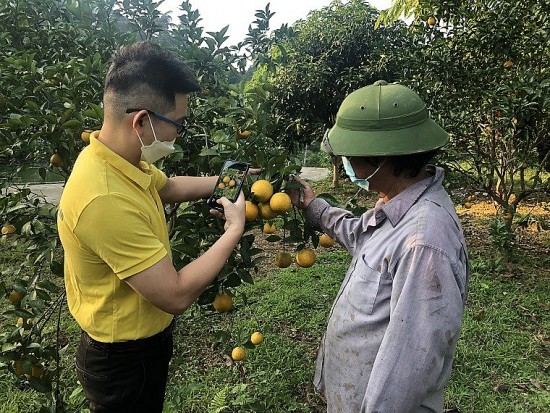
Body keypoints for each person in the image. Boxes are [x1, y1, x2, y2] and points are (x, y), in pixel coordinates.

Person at [57, 41, 246, 412]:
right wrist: (233, 231)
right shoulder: (104, 198)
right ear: (141, 121)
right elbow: (174, 295)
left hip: (138, 347)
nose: (178, 135)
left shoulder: (117, 158)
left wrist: (226, 181)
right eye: (177, 124)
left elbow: (169, 188)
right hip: (122, 362)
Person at [290, 80, 469, 412]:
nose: (346, 165)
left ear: (383, 159)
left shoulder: (425, 243)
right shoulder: (399, 205)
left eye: (350, 156)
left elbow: (409, 369)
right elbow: (362, 236)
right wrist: (315, 207)